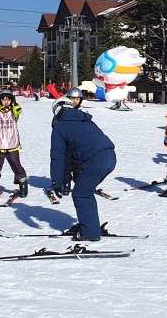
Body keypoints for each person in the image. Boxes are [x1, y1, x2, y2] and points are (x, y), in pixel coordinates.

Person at [51, 97, 117, 241]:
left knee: (81, 194)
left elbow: (58, 157)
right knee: (84, 192)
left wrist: (57, 182)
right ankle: (89, 225)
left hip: (96, 160)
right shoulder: (85, 119)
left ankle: (90, 232)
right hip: (110, 156)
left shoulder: (60, 127)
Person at [0, 89, 28, 199]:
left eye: (8, 99)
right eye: (4, 99)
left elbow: (18, 111)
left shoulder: (14, 111)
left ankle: (23, 186)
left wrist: (13, 104)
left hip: (12, 144)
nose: (6, 102)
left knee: (17, 166)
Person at [51, 87, 85, 196]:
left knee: (78, 165)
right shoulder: (62, 111)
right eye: (72, 98)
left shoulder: (82, 111)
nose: (75, 101)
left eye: (77, 99)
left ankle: (79, 184)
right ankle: (66, 184)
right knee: (66, 165)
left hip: (78, 144)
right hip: (65, 144)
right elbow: (55, 125)